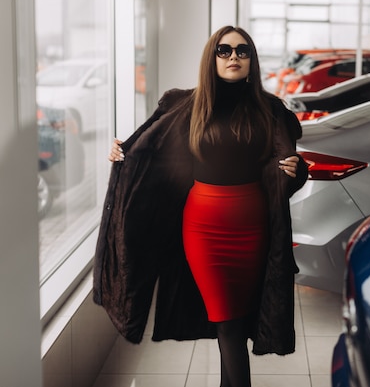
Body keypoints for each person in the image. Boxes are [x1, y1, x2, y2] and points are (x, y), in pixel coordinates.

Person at [93, 25, 309, 387]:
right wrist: (121, 153)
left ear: (252, 61)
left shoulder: (270, 110)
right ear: (212, 57)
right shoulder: (181, 104)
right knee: (227, 320)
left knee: (236, 320)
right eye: (224, 51)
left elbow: (285, 175)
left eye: (242, 51)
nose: (233, 57)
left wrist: (297, 170)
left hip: (252, 227)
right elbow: (148, 151)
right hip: (203, 229)